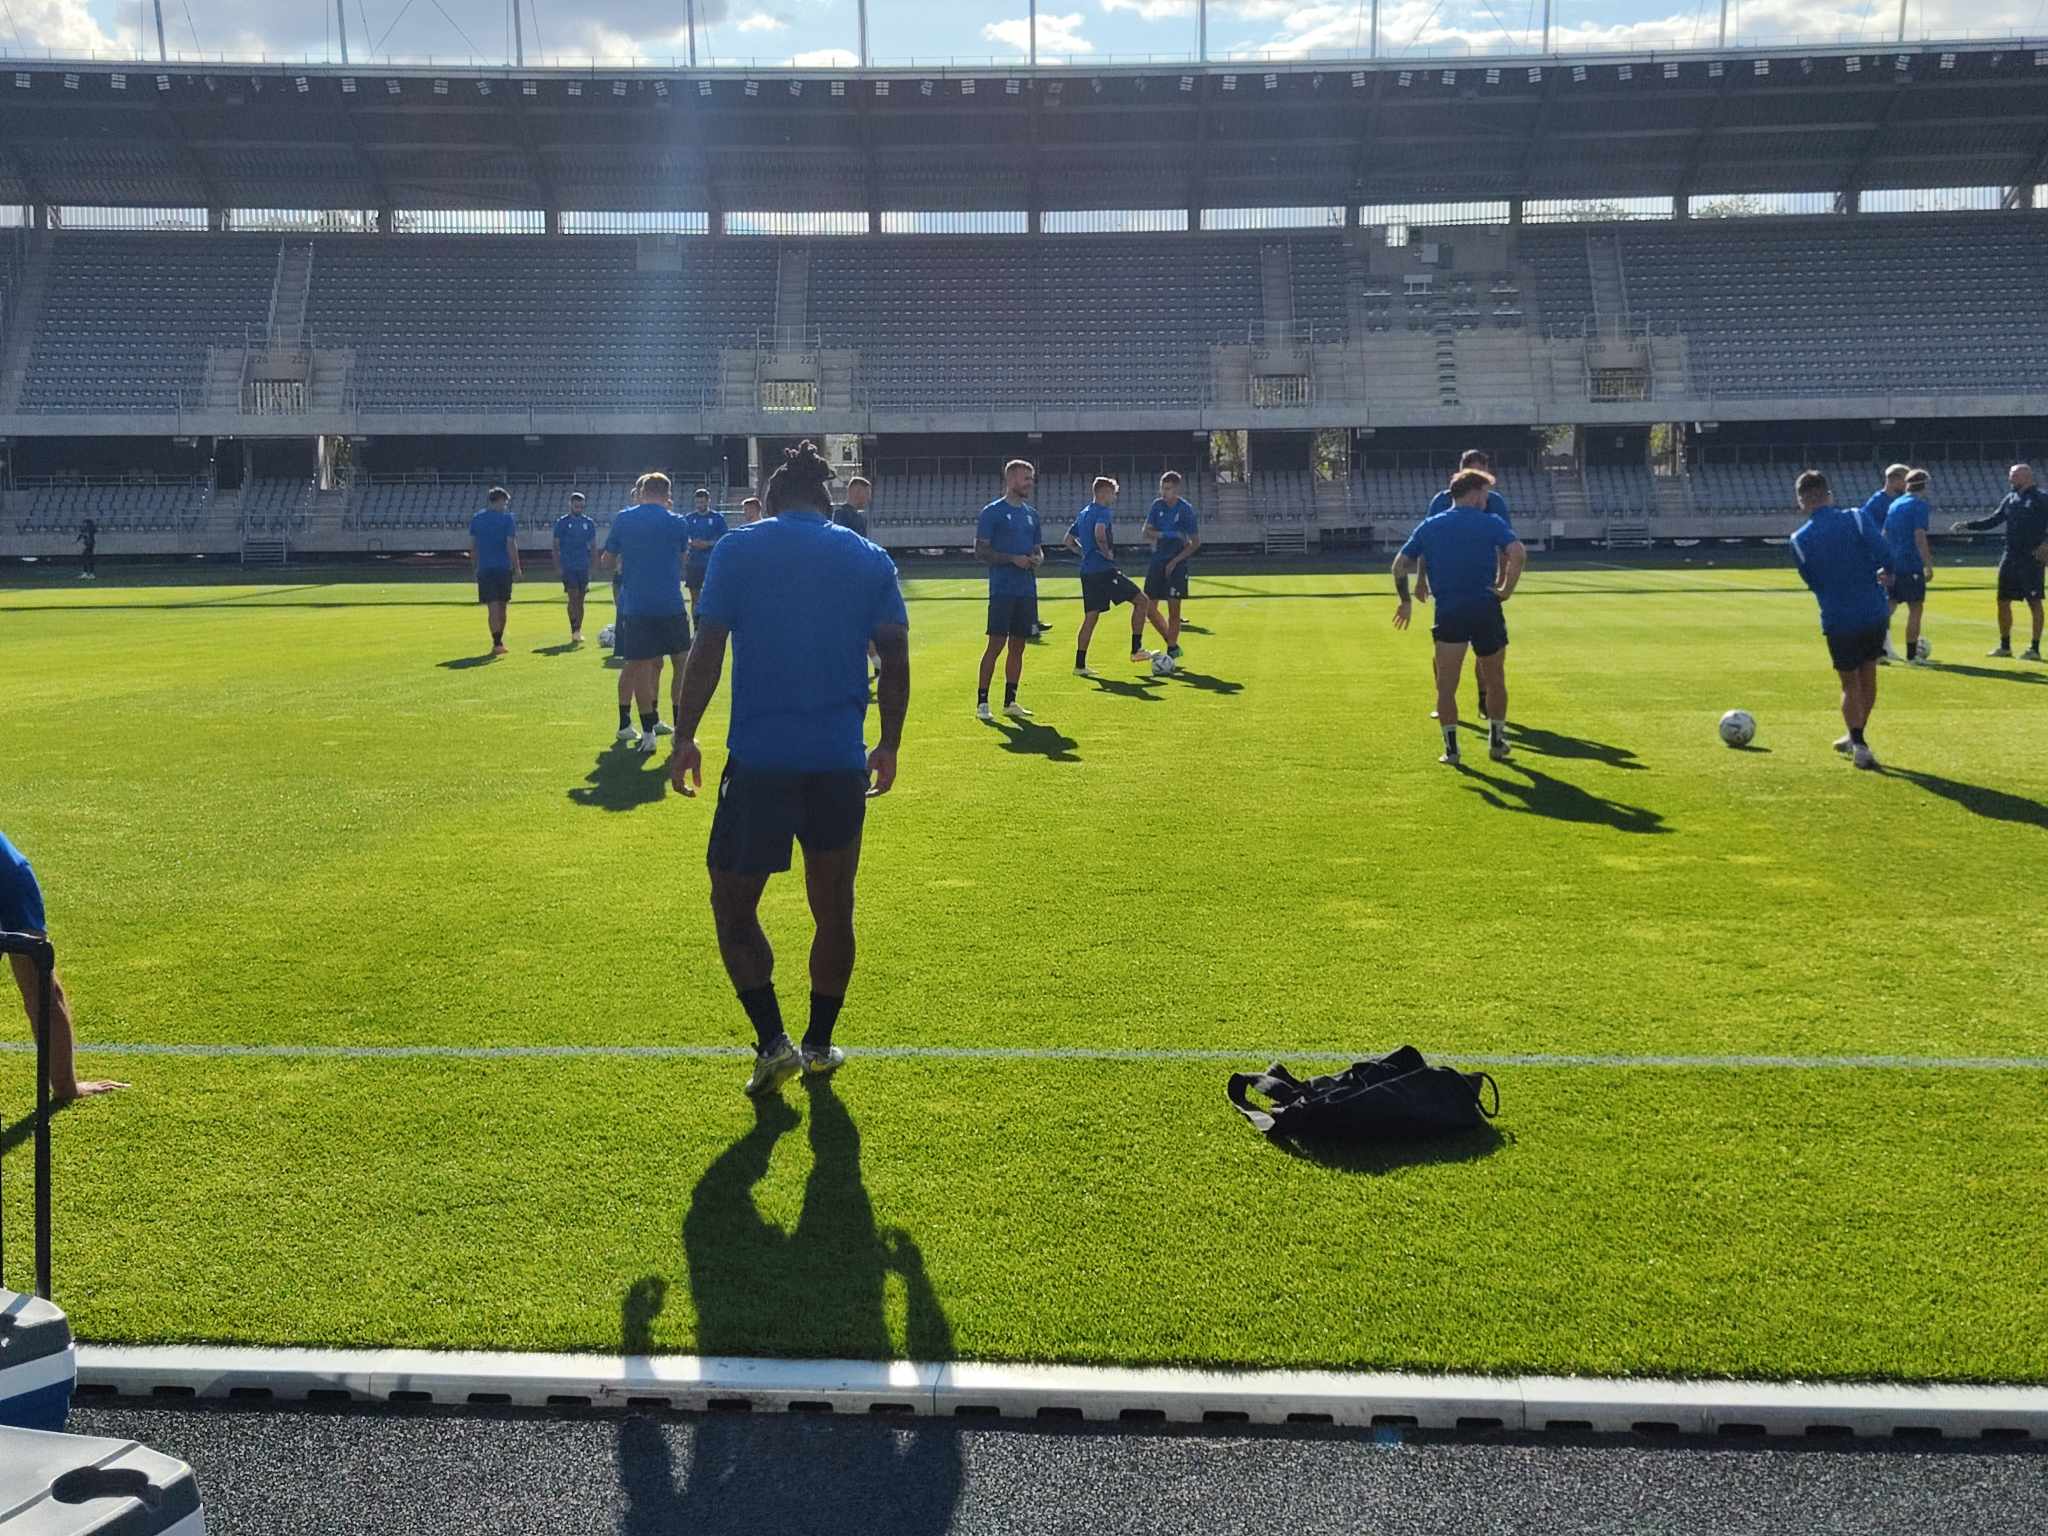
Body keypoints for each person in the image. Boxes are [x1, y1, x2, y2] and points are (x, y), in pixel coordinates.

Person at [669, 442, 910, 1098]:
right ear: (828, 501)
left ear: (770, 501)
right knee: (834, 907)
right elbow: (894, 657)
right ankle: (819, 1044)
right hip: (837, 763)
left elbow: (707, 650)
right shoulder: (867, 558)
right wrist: (887, 743)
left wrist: (685, 736)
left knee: (732, 903)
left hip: (759, 765)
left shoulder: (739, 550)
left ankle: (772, 1041)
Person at [1391, 468, 1526, 767]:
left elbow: (1399, 565)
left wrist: (1405, 601)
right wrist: (1505, 590)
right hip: (1485, 608)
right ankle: (1496, 741)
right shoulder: (1491, 522)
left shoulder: (1430, 525)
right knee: (1495, 680)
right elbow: (1517, 552)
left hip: (1449, 611)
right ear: (1475, 492)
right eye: (1486, 494)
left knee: (1446, 686)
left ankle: (1452, 750)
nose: (1486, 500)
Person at [1, 831, 125, 1102]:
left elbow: (43, 995)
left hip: (9, 880)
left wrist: (66, 1087)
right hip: (12, 877)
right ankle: (66, 1086)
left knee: (39, 984)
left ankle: (65, 1085)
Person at [1789, 470, 1893, 771]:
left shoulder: (1798, 541)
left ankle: (1857, 741)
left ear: (1801, 502)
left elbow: (1814, 581)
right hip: (1872, 610)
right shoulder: (1857, 518)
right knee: (1868, 673)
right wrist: (1879, 572)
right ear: (1828, 494)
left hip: (1838, 616)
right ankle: (1857, 736)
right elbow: (1886, 554)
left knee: (1849, 683)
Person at [602, 475, 692, 754]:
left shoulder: (624, 519)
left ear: (641, 491)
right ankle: (680, 730)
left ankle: (648, 732)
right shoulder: (678, 521)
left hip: (637, 605)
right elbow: (682, 558)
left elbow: (607, 560)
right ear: (667, 492)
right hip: (671, 604)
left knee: (640, 666)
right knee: (680, 665)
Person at [1421, 450, 1512, 721]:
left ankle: (1485, 698)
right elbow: (1426, 542)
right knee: (1445, 649)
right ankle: (1444, 697)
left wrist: (1502, 579)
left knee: (1486, 653)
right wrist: (1421, 579)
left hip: (1482, 586)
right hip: (1447, 587)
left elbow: (1507, 546)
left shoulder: (1495, 502)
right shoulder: (1441, 501)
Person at [1061, 477, 1173, 678]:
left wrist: (1085, 553)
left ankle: (1079, 665)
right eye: (1113, 493)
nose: (1115, 497)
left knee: (1091, 617)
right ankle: (1136, 649)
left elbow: (1068, 540)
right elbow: (1100, 533)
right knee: (1142, 601)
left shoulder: (1084, 512)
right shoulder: (1103, 511)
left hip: (1087, 572)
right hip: (1104, 570)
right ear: (1103, 493)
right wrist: (1105, 553)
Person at [1951, 463, 2048, 660]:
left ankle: (2034, 648)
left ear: (2026, 476)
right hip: (2010, 555)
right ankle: (2005, 646)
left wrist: (2046, 544)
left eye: (2013, 475)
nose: (2010, 479)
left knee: (2034, 601)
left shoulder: (2041, 497)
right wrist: (1968, 525)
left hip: (2031, 557)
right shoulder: (2011, 498)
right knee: (2002, 600)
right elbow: (1994, 520)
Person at [974, 459, 1045, 721]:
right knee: (995, 644)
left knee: (1018, 647)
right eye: (1026, 478)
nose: (1030, 483)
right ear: (1012, 479)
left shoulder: (1032, 515)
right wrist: (1012, 559)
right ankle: (982, 702)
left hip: (1026, 589)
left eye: (1031, 478)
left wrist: (1039, 558)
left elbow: (1038, 548)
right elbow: (980, 551)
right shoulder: (992, 512)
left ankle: (1010, 701)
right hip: (1003, 589)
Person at [1141, 471, 1201, 662]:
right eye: (1162, 488)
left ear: (1176, 489)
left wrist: (1175, 561)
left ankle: (1170, 651)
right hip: (1157, 561)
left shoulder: (1185, 509)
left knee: (1174, 612)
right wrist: (1165, 535)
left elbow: (1195, 542)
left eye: (1168, 489)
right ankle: (1172, 643)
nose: (1164, 492)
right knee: (1148, 608)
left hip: (1177, 565)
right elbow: (1145, 532)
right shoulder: (1156, 505)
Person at [1883, 469, 1935, 666]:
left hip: (1893, 563)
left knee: (1889, 605)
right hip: (1909, 563)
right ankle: (1912, 655)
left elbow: (1885, 533)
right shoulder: (1918, 505)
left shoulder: (1895, 503)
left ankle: (1877, 648)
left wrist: (1884, 562)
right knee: (1915, 608)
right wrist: (1928, 564)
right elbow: (1919, 535)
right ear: (1925, 484)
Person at [468, 487, 521, 656]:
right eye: (504, 503)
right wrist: (517, 567)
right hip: (499, 568)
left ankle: (498, 640)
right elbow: (511, 545)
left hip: (489, 568)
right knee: (497, 606)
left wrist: (474, 567)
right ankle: (497, 642)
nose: (505, 506)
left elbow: (472, 547)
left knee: (498, 606)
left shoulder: (478, 519)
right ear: (497, 501)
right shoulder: (506, 519)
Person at [551, 492, 598, 645]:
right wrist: (558, 566)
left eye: (581, 506)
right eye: (576, 505)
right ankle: (574, 629)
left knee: (581, 600)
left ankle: (578, 630)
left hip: (583, 566)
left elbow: (593, 546)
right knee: (573, 596)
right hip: (568, 566)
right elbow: (555, 546)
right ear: (570, 505)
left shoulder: (588, 523)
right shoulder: (562, 523)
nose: (579, 508)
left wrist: (593, 566)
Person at [682, 488, 729, 632]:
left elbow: (724, 539)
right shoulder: (689, 518)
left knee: (713, 595)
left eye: (702, 501)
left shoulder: (717, 518)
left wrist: (708, 543)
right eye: (697, 502)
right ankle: (696, 628)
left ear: (709, 501)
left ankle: (714, 627)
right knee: (694, 596)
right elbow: (684, 537)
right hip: (694, 563)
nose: (699, 504)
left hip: (711, 562)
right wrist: (691, 542)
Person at [1861, 463, 1909, 537]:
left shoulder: (1903, 500)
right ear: (1893, 479)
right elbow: (1868, 529)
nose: (1907, 485)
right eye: (1905, 480)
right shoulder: (1876, 502)